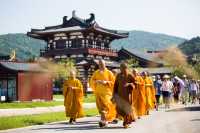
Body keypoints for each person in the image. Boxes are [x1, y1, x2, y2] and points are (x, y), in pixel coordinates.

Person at [90, 59, 116, 127]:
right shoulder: (96, 72)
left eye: (102, 64)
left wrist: (106, 82)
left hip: (106, 93)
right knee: (101, 108)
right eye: (99, 64)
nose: (101, 65)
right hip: (98, 92)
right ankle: (104, 121)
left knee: (107, 107)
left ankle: (104, 121)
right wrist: (96, 82)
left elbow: (114, 83)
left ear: (105, 64)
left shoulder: (109, 73)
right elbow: (92, 81)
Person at [112, 63, 136, 128]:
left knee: (126, 109)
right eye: (121, 68)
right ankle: (127, 120)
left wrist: (129, 84)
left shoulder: (130, 75)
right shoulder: (118, 75)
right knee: (118, 109)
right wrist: (114, 94)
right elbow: (115, 86)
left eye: (123, 68)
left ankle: (126, 122)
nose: (122, 69)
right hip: (120, 96)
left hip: (128, 95)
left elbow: (135, 84)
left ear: (126, 68)